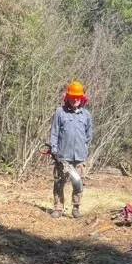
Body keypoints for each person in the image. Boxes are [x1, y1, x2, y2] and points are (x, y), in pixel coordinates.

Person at [49, 81, 93, 219]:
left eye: (78, 97)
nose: (75, 99)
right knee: (59, 182)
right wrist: (54, 150)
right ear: (67, 97)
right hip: (63, 156)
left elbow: (89, 135)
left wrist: (83, 148)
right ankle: (58, 208)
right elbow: (54, 133)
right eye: (73, 96)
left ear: (82, 98)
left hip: (79, 156)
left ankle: (76, 208)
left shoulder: (86, 115)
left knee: (78, 183)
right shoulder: (60, 112)